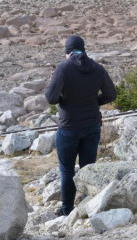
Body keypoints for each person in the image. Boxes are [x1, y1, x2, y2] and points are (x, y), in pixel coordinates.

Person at [44, 35, 117, 217]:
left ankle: (68, 211)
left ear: (67, 52)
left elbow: (50, 98)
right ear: (84, 49)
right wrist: (94, 101)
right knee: (88, 168)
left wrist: (64, 101)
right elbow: (111, 94)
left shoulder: (63, 68)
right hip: (92, 125)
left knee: (67, 170)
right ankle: (87, 208)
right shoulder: (97, 68)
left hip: (68, 127)